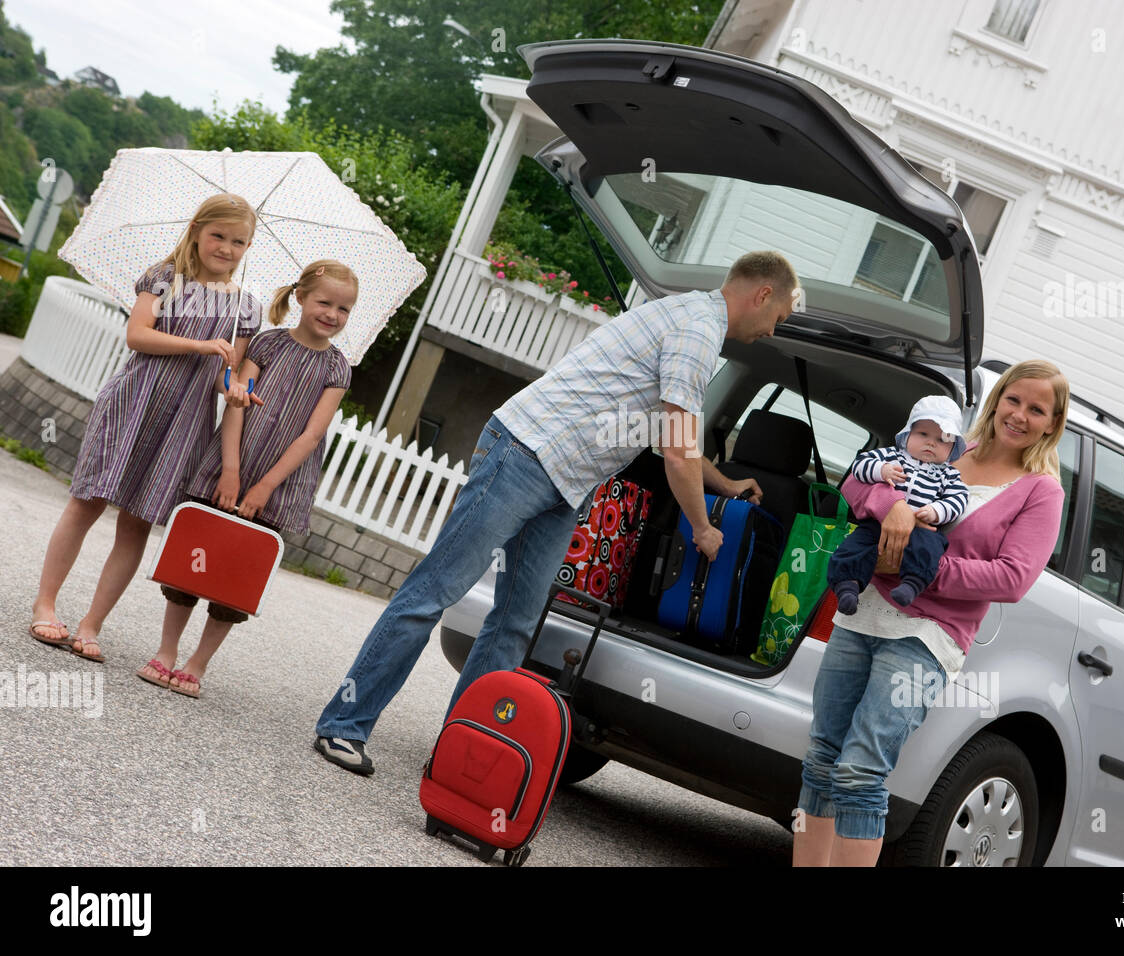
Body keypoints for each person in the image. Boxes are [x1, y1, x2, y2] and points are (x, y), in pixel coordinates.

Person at [313, 250, 800, 775]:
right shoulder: (699, 330)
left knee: (516, 624)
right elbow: (678, 451)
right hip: (524, 454)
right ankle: (344, 725)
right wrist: (702, 529)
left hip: (566, 481)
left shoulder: (688, 317)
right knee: (433, 592)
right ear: (763, 294)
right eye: (779, 319)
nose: (774, 331)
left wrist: (725, 483)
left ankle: (458, 756)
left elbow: (668, 437)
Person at [793, 359, 1069, 867]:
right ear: (997, 400)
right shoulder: (946, 448)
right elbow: (857, 483)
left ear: (1052, 423)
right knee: (821, 758)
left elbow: (1011, 577)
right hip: (862, 615)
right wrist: (890, 507)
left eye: (1037, 409)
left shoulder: (1040, 491)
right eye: (1014, 400)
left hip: (927, 638)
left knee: (860, 770)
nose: (1020, 415)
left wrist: (920, 569)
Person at [28, 194, 261, 662]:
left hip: (183, 423)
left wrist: (236, 389)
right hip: (131, 403)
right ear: (197, 229)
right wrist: (197, 345)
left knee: (134, 525)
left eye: (240, 242)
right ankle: (45, 603)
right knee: (85, 505)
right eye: (219, 235)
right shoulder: (163, 278)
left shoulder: (246, 307)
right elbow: (137, 336)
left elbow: (228, 374)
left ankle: (92, 625)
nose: (227, 248)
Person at [136, 260, 356, 698]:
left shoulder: (337, 369)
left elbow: (312, 435)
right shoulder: (266, 345)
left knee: (237, 572)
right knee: (194, 558)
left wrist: (265, 486)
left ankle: (197, 665)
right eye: (324, 302)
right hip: (231, 464)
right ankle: (166, 652)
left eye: (344, 309)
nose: (332, 314)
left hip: (278, 482)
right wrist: (232, 472)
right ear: (301, 298)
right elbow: (235, 403)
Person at [827, 395, 969, 613]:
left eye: (942, 440)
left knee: (930, 546)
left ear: (952, 448)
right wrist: (881, 471)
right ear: (907, 434)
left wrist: (936, 511)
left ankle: (912, 584)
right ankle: (847, 586)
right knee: (854, 545)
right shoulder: (893, 456)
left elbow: (959, 499)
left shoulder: (948, 474)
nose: (931, 442)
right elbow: (860, 465)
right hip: (878, 523)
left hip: (921, 527)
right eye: (923, 434)